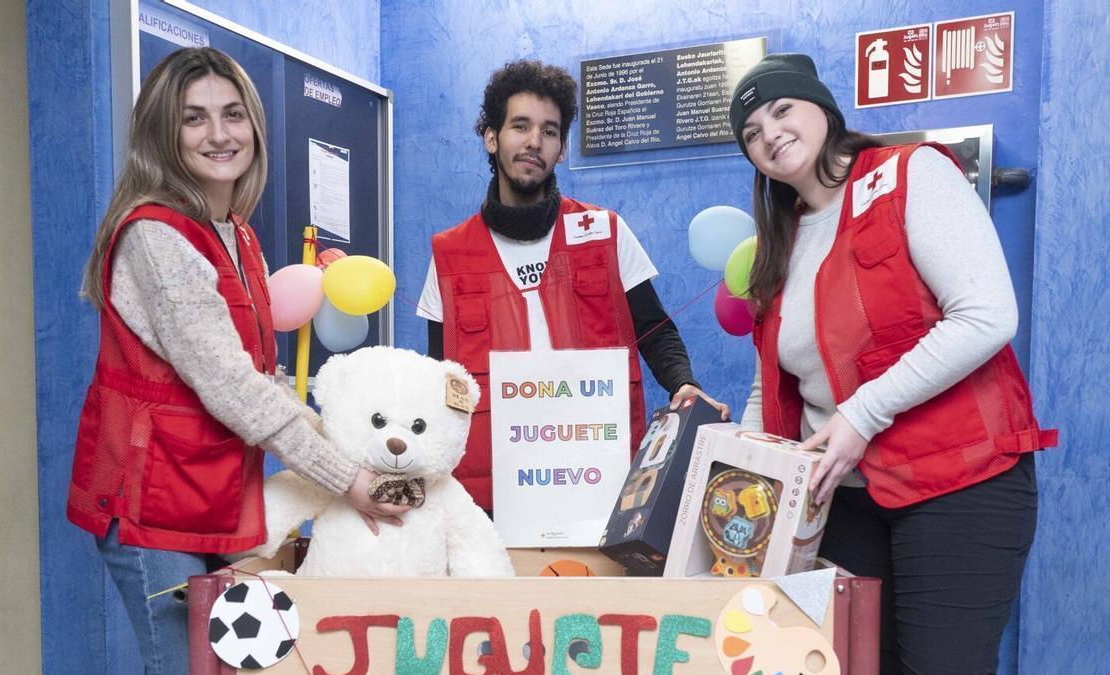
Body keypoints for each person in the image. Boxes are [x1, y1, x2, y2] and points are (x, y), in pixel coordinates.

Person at [65, 47, 408, 674]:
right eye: (194, 118)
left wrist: (344, 446)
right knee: (187, 667)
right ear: (162, 134)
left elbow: (261, 378)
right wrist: (349, 480)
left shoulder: (236, 231)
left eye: (232, 114)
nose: (219, 135)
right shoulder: (155, 235)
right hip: (151, 504)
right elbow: (231, 390)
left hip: (209, 492)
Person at [731, 53, 1056, 673]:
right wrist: (747, 465)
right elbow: (770, 381)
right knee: (846, 664)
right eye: (750, 133)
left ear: (823, 110)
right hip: (846, 502)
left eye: (781, 110)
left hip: (959, 483)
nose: (769, 133)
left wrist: (860, 415)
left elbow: (987, 315)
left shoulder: (911, 175)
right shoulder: (781, 241)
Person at [417, 60, 728, 511]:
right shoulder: (449, 254)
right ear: (491, 137)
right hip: (489, 498)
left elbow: (654, 330)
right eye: (520, 126)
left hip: (599, 479)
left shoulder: (606, 232)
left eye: (549, 131)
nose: (533, 142)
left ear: (562, 148)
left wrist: (683, 382)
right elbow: (437, 378)